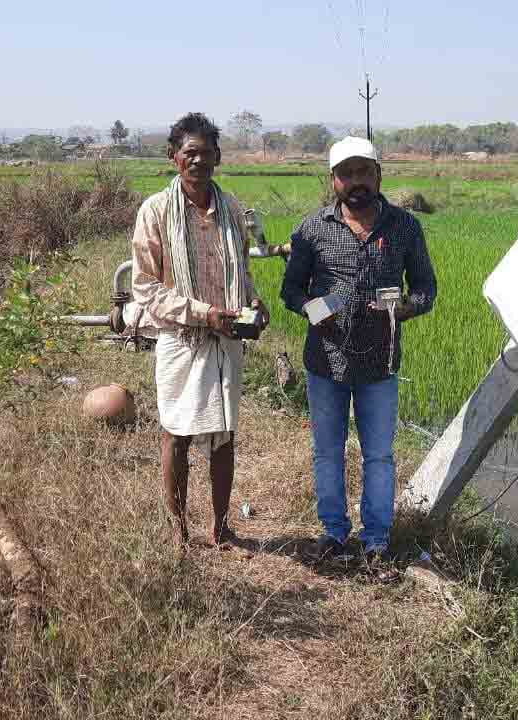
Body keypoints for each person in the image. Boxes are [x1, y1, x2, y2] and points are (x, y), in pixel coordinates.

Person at [280, 137, 437, 579]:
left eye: (364, 173)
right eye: (346, 174)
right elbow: (291, 291)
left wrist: (405, 308)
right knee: (327, 452)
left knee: (380, 456)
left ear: (378, 176)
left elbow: (426, 288)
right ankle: (333, 534)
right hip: (326, 363)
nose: (356, 182)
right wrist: (316, 313)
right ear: (334, 181)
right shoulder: (312, 229)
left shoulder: (404, 227)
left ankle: (376, 541)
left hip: (380, 365)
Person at [131, 112, 269, 550]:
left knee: (225, 433)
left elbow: (240, 270)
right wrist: (203, 313)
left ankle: (222, 526)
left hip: (226, 337)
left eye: (206, 153)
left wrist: (253, 303)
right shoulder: (155, 211)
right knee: (177, 432)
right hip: (181, 338)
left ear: (217, 158)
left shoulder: (230, 208)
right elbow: (145, 287)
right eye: (190, 153)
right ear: (174, 157)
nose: (198, 161)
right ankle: (178, 530)